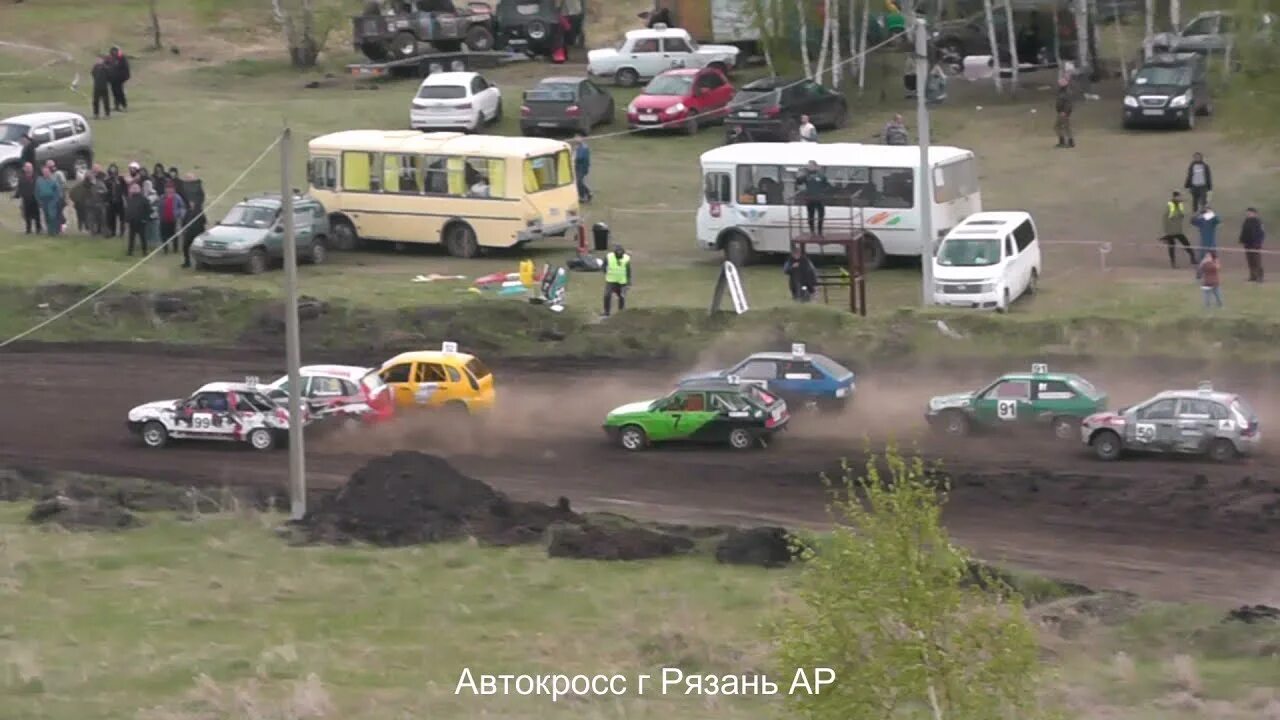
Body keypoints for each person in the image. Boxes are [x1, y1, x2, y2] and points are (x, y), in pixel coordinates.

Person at [1159, 191, 1195, 268]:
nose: (1180, 198)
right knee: (1172, 246)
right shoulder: (1170, 205)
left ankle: (1193, 258)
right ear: (1174, 197)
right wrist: (1167, 231)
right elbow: (1166, 217)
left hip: (1178, 229)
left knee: (1186, 243)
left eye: (1180, 197)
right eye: (1178, 197)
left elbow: (1181, 215)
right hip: (1171, 230)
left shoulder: (1180, 204)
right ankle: (1173, 263)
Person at [796, 160, 830, 237]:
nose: (809, 167)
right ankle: (812, 231)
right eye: (808, 166)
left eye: (811, 165)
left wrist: (823, 192)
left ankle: (820, 231)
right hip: (810, 198)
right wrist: (798, 176)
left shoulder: (821, 176)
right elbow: (799, 182)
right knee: (810, 216)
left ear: (815, 166)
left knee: (821, 215)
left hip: (819, 198)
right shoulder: (806, 176)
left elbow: (827, 185)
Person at [180, 172, 206, 268]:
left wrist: (196, 204)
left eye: (190, 177)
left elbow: (201, 197)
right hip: (189, 226)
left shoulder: (198, 187)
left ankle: (200, 263)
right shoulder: (184, 188)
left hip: (198, 226)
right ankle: (187, 261)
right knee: (186, 245)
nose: (188, 179)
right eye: (187, 177)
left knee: (199, 246)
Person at [158, 181, 187, 254]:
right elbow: (159, 207)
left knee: (174, 235)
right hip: (163, 219)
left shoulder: (177, 197)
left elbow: (182, 207)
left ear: (174, 189)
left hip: (173, 220)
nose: (169, 190)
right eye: (167, 188)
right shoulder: (162, 197)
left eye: (170, 188)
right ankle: (165, 249)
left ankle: (175, 249)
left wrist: (179, 214)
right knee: (163, 235)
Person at [602, 244, 631, 317]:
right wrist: (605, 271)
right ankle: (606, 312)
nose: (619, 252)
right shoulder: (608, 257)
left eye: (621, 251)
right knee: (607, 295)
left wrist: (628, 282)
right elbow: (604, 266)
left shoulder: (626, 258)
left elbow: (628, 271)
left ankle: (621, 312)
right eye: (618, 251)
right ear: (615, 251)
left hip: (622, 282)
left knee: (622, 297)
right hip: (611, 281)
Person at [13, 163, 41, 234]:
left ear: (32, 168)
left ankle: (38, 228)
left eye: (30, 167)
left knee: (37, 214)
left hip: (35, 198)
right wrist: (16, 195)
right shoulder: (21, 178)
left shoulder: (36, 176)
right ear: (24, 169)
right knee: (27, 215)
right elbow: (19, 188)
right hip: (26, 198)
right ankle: (28, 229)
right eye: (27, 167)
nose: (28, 169)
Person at [124, 183, 151, 255]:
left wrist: (145, 219)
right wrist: (127, 219)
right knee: (131, 237)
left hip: (141, 221)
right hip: (132, 221)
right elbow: (128, 210)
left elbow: (148, 210)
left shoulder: (144, 199)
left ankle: (144, 251)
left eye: (136, 188)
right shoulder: (130, 199)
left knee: (143, 237)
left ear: (139, 189)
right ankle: (130, 251)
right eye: (133, 188)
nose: (134, 189)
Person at [34, 166, 62, 236]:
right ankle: (50, 231)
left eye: (47, 172)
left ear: (49, 172)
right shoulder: (39, 180)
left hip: (52, 200)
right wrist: (39, 201)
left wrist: (55, 201)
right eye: (44, 172)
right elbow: (36, 192)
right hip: (43, 200)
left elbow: (57, 192)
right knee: (46, 216)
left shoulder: (54, 180)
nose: (45, 173)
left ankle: (55, 231)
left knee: (52, 215)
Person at [1240, 207, 1265, 282]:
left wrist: (1258, 242)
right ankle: (1253, 276)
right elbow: (1244, 231)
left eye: (1249, 213)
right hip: (1247, 244)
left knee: (1257, 261)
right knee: (1250, 261)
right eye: (1247, 213)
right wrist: (1242, 239)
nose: (1248, 214)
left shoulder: (1258, 221)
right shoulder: (1246, 221)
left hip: (1256, 245)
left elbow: (1261, 233)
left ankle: (1260, 277)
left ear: (1254, 213)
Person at [107, 46, 130, 111]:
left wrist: (124, 77)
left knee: (120, 92)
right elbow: (108, 67)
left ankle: (124, 106)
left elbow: (125, 69)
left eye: (114, 51)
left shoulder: (122, 58)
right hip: (113, 79)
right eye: (112, 51)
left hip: (119, 78)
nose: (113, 52)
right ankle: (116, 106)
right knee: (114, 92)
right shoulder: (110, 59)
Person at [1054, 76, 1074, 148]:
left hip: (1063, 112)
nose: (1059, 83)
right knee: (1060, 127)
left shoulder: (1067, 92)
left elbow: (1068, 103)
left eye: (1061, 82)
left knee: (1063, 127)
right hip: (1061, 112)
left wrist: (1065, 112)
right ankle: (1065, 141)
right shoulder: (1061, 91)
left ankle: (1068, 142)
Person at [574, 133, 591, 203]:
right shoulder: (578, 146)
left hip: (582, 167)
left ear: (582, 138)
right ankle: (587, 193)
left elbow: (580, 157)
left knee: (579, 182)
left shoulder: (584, 147)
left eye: (578, 137)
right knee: (579, 182)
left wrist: (574, 157)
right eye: (575, 137)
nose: (576, 139)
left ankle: (583, 196)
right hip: (577, 167)